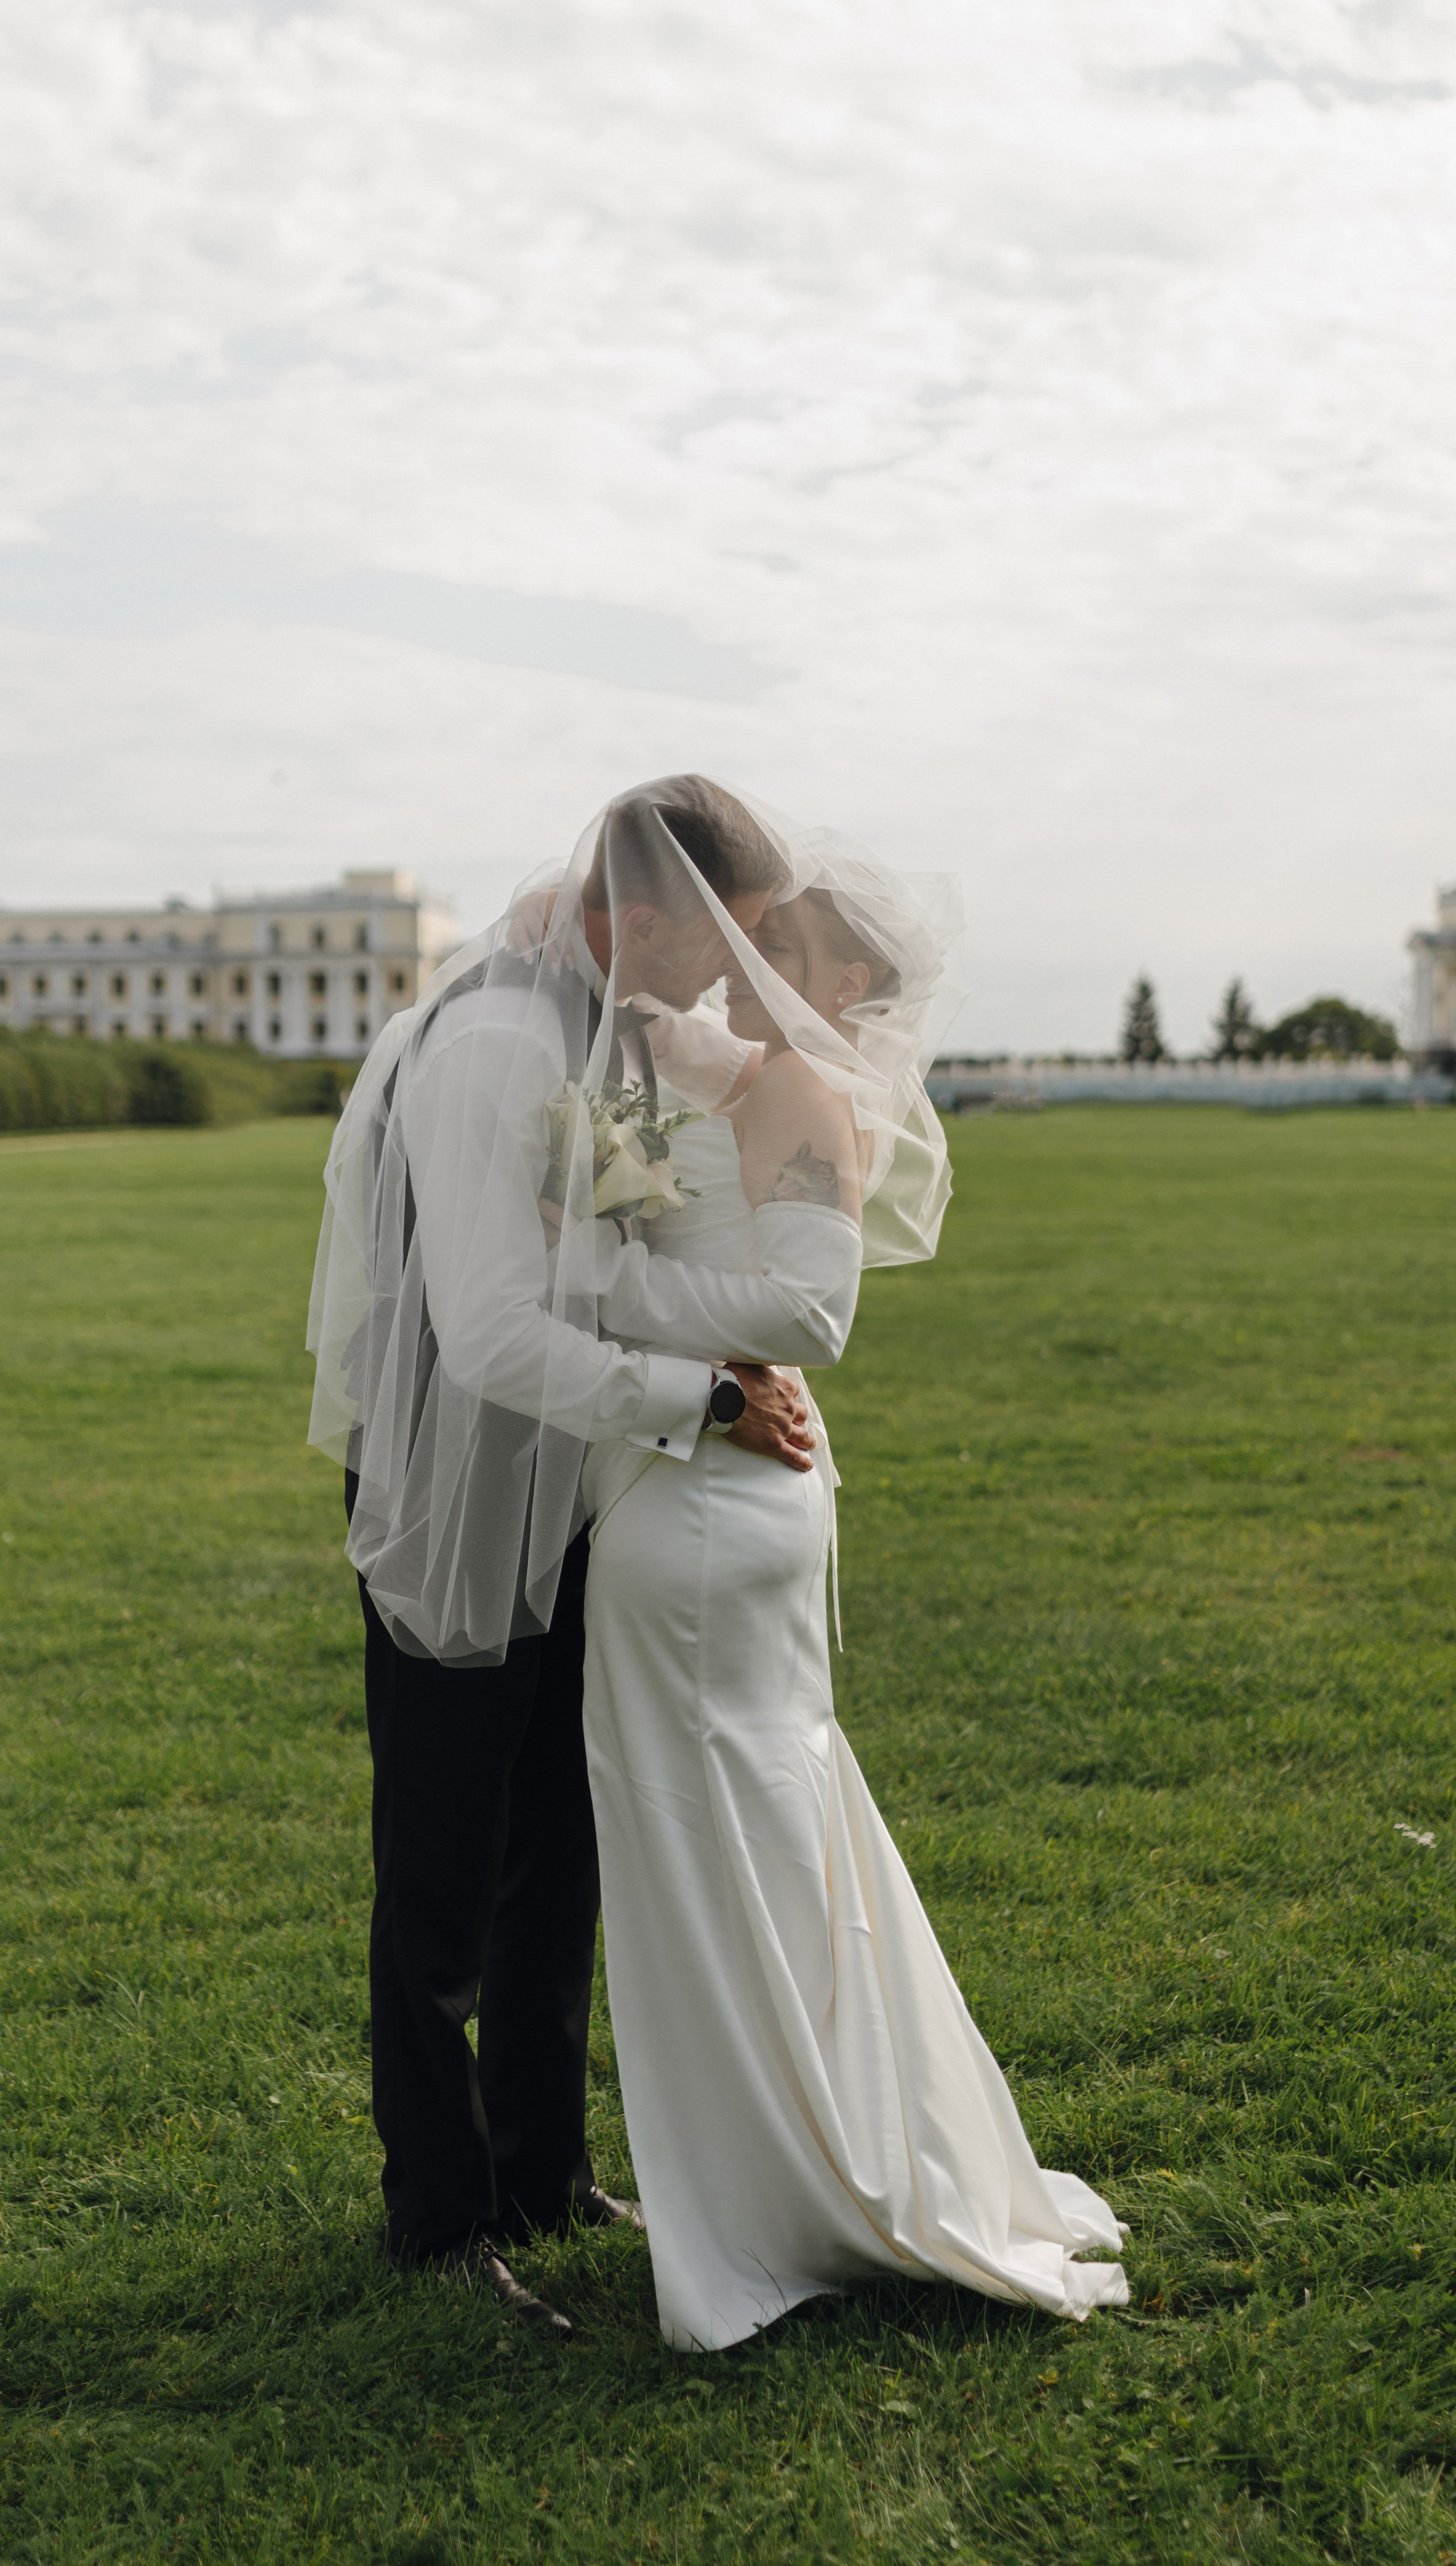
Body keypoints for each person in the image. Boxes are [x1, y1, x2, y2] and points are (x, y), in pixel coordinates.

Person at [574, 791, 1132, 2348]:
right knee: (720, 1842)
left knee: (736, 1833)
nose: (744, 955)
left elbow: (808, 1321)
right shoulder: (699, 1063)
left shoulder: (813, 1101)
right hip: (685, 1479)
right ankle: (780, 2156)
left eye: (780, 947)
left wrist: (645, 1317)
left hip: (715, 1509)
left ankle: (789, 2191)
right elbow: (616, 1203)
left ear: (841, 997)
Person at [308, 778, 856, 2333]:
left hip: (582, 1487)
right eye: (724, 947)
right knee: (440, 1868)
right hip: (456, 1489)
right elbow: (486, 1330)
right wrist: (699, 1397)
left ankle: (543, 2170)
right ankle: (439, 2215)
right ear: (644, 912)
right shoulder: (492, 1043)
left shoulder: (606, 1030)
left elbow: (611, 1262)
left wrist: (723, 1353)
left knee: (564, 1844)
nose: (727, 983)